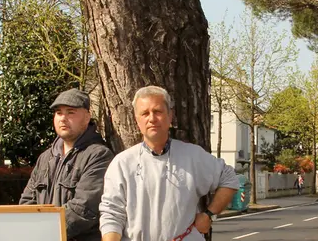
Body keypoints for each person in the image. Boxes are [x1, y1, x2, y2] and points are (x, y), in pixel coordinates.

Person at [99, 86, 240, 241]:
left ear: (170, 116)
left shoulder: (192, 156)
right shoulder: (122, 163)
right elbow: (111, 213)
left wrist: (209, 214)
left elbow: (229, 178)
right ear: (136, 120)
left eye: (157, 111)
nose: (152, 118)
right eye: (145, 113)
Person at [19, 88, 114, 241]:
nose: (63, 118)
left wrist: (46, 233)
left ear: (87, 117)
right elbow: (27, 202)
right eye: (58, 113)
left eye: (70, 112)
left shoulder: (99, 155)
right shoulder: (45, 158)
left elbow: (84, 209)